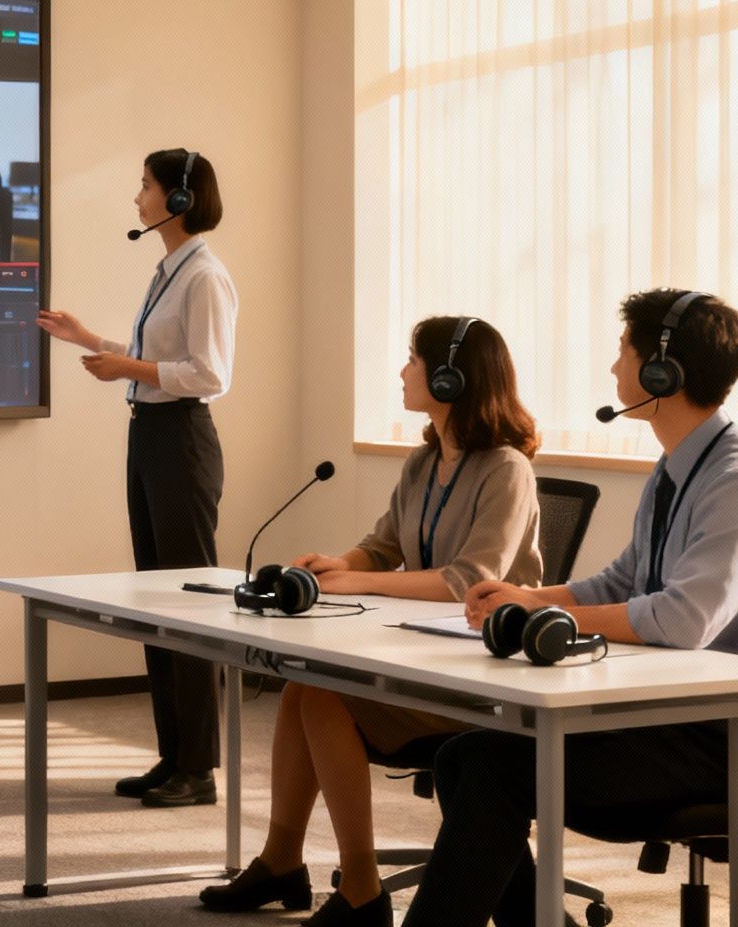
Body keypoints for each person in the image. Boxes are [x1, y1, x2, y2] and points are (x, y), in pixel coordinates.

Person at [400, 289, 738, 927]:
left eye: (622, 353)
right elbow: (625, 579)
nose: (612, 370)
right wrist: (528, 597)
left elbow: (682, 619)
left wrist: (549, 621)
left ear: (663, 371)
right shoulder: (678, 467)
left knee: (489, 766)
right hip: (681, 715)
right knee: (464, 756)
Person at [199, 316, 543, 926]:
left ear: (449, 376)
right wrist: (341, 563)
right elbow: (384, 547)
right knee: (304, 685)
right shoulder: (423, 460)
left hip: (486, 675)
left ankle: (360, 886)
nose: (402, 371)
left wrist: (355, 580)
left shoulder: (506, 469)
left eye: (413, 360)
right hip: (423, 651)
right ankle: (284, 860)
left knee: (327, 696)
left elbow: (469, 579)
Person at [37, 147, 237, 808]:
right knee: (157, 603)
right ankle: (173, 755)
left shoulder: (204, 276)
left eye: (146, 186)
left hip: (182, 440)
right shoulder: (166, 271)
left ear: (179, 199)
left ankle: (200, 768)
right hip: (150, 436)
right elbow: (157, 357)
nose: (137, 198)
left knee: (188, 604)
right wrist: (90, 338)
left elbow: (209, 375)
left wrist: (129, 371)